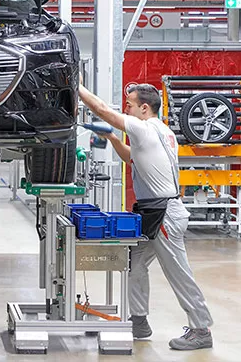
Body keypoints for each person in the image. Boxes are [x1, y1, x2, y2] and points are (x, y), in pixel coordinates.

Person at [79, 82, 213, 351]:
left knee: (178, 272)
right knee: (135, 263)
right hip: (152, 213)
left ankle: (201, 329)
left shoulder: (144, 128)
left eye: (129, 104)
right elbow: (133, 159)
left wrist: (77, 87)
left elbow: (102, 109)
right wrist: (114, 140)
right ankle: (139, 321)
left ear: (144, 107)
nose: (126, 108)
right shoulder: (161, 132)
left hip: (164, 214)